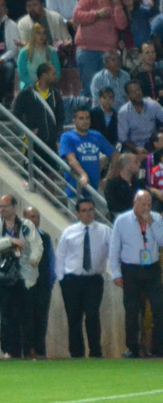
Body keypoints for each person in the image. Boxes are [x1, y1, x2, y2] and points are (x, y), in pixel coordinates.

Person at [0, 194, 43, 358]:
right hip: (4, 276)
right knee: (6, 315)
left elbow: (37, 245)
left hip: (24, 274)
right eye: (0, 207)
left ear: (14, 207)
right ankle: (9, 350)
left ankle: (28, 349)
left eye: (6, 206)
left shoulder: (26, 225)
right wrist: (10, 242)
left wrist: (34, 258)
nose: (3, 209)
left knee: (26, 314)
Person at [109, 189, 163, 356]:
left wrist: (152, 222)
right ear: (135, 203)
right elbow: (114, 248)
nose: (146, 208)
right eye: (143, 205)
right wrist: (116, 273)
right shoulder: (122, 220)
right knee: (132, 310)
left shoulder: (157, 218)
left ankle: (158, 348)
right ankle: (132, 347)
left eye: (149, 204)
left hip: (152, 268)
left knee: (158, 307)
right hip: (130, 269)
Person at [55, 198, 111, 357]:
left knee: (92, 314)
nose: (88, 213)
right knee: (74, 318)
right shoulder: (69, 232)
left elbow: (112, 253)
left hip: (93, 279)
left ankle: (95, 352)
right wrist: (61, 279)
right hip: (72, 279)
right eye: (84, 210)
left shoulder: (104, 231)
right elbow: (61, 256)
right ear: (78, 213)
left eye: (91, 210)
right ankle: (76, 353)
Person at [73, 0, 128, 97]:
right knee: (89, 88)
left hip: (109, 51)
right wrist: (97, 14)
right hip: (88, 49)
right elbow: (77, 16)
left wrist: (117, 3)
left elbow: (122, 25)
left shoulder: (117, 3)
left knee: (109, 90)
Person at [60, 104, 116, 198]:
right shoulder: (67, 137)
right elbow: (71, 160)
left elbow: (114, 155)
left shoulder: (97, 136)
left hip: (95, 189)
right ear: (74, 120)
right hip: (75, 190)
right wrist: (83, 174)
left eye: (87, 118)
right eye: (81, 118)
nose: (85, 121)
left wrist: (109, 177)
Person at [22, 206, 55, 357]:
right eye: (31, 217)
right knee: (27, 318)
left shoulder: (46, 237)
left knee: (41, 319)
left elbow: (51, 261)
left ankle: (40, 350)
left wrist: (50, 281)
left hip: (42, 285)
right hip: (26, 285)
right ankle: (28, 351)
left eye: (37, 217)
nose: (35, 220)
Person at [11, 63, 64, 151]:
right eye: (53, 74)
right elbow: (15, 114)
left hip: (51, 144)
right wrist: (27, 131)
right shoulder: (27, 93)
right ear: (43, 76)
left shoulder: (55, 94)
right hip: (32, 143)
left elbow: (60, 117)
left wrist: (58, 136)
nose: (56, 76)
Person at [16, 23, 61, 90]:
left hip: (48, 86)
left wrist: (46, 83)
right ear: (33, 35)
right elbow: (22, 75)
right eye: (38, 33)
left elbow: (57, 73)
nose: (41, 36)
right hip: (29, 87)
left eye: (44, 33)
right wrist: (37, 84)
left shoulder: (52, 52)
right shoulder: (24, 52)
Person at [103, 152, 139, 216]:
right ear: (128, 166)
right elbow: (112, 206)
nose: (139, 164)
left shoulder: (138, 182)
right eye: (136, 162)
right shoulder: (112, 184)